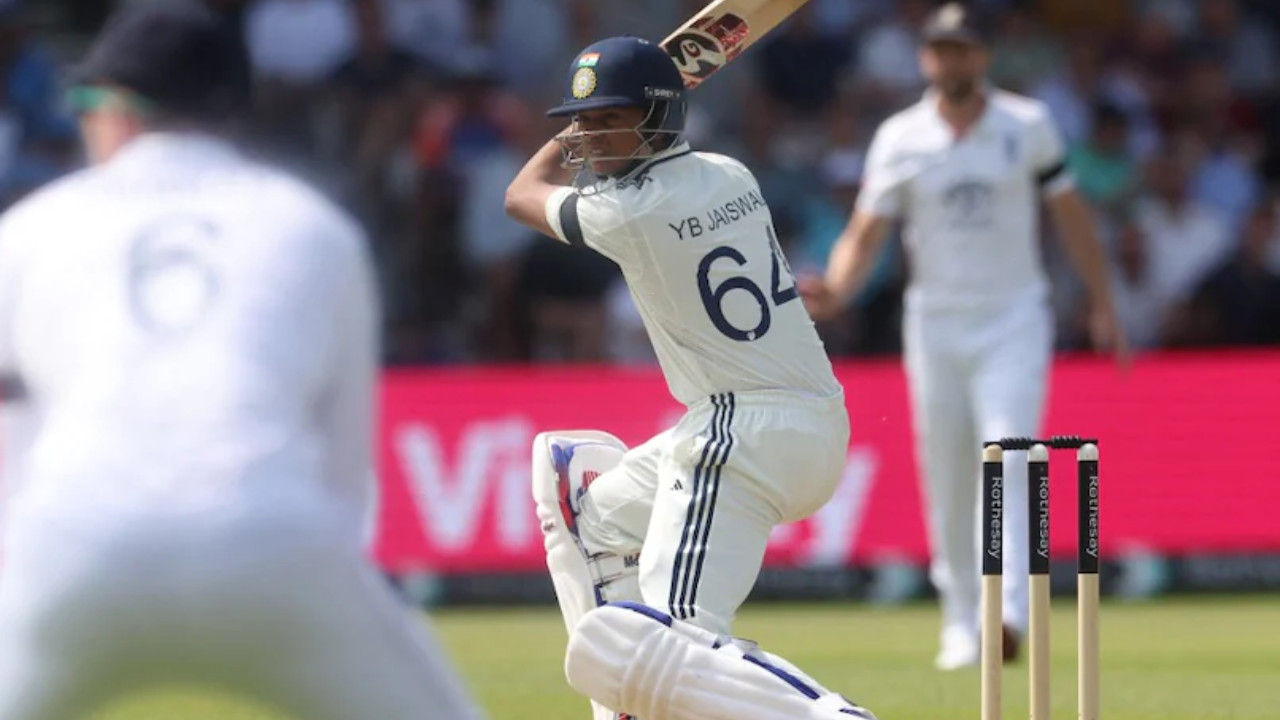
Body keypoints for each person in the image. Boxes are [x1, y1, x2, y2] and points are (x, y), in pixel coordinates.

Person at [0, 3, 485, 718]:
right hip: (273, 546)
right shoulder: (312, 226)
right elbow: (345, 473)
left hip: (70, 548)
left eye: (89, 102)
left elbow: (12, 441)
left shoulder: (29, 228)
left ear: (122, 110)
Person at [504, 36, 876, 720]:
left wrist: (558, 141)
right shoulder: (730, 173)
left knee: (676, 637)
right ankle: (623, 709)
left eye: (604, 121)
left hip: (741, 431)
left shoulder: (632, 213)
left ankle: (827, 717)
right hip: (806, 419)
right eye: (581, 121)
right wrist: (611, 115)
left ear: (656, 117)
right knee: (587, 510)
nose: (587, 137)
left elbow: (519, 196)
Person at [802, 2, 1128, 671]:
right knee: (947, 469)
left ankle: (1005, 608)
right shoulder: (900, 136)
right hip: (935, 321)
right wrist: (835, 288)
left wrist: (1102, 302)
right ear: (927, 58)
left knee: (1008, 452)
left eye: (964, 49)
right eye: (940, 50)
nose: (952, 61)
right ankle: (957, 619)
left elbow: (1071, 217)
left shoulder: (1026, 124)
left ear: (983, 57)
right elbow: (867, 232)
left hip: (1014, 316)